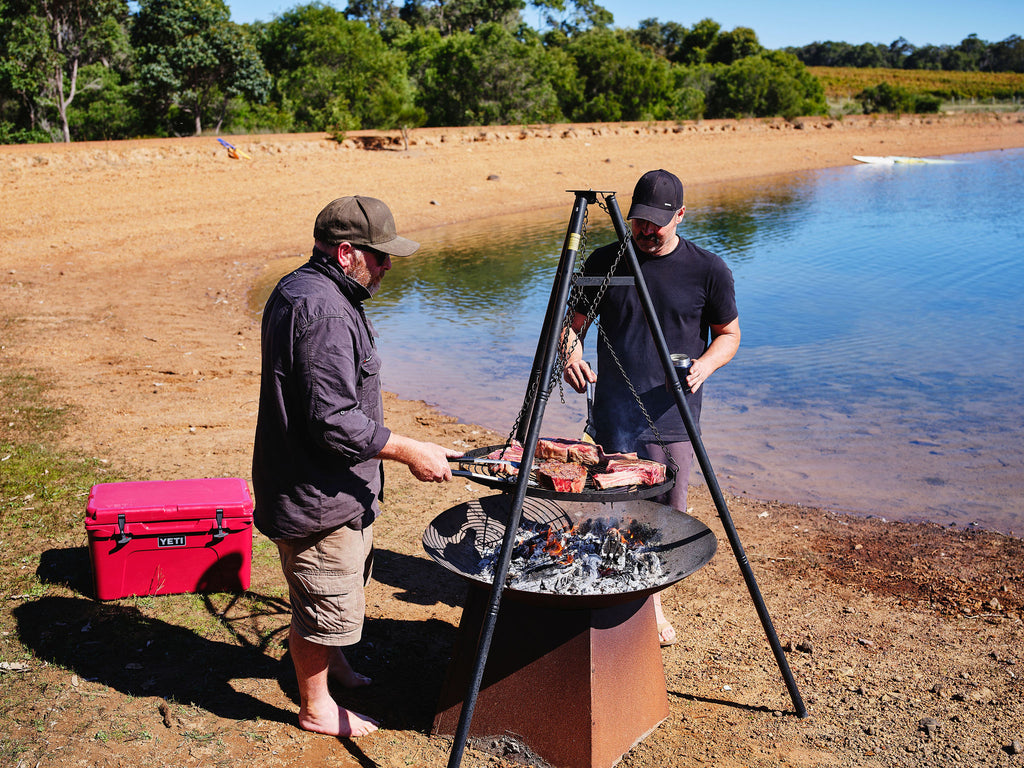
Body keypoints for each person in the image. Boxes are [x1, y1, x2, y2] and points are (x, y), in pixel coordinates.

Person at [252, 195, 461, 737]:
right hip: (316, 496)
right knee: (321, 605)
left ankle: (337, 666)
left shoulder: (310, 288)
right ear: (346, 252)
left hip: (334, 489)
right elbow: (333, 422)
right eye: (381, 256)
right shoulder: (321, 310)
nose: (388, 266)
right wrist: (410, 449)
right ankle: (316, 707)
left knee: (338, 592)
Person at [561, 169, 740, 647]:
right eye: (638, 220)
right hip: (614, 416)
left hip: (673, 417)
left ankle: (650, 603)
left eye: (656, 223)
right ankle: (621, 599)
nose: (644, 230)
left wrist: (705, 366)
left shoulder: (708, 270)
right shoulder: (607, 260)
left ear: (679, 215)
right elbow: (571, 323)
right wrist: (571, 353)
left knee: (665, 514)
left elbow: (729, 335)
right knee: (612, 510)